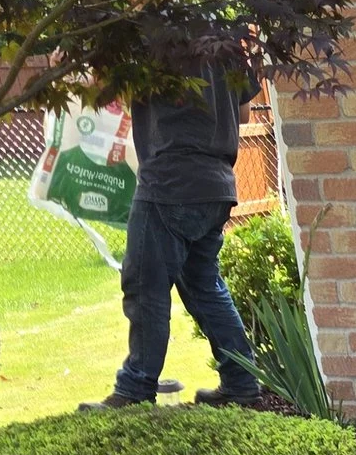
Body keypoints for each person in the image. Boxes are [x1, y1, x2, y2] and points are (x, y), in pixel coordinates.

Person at [92, 61, 264, 409]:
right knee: (203, 285)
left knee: (145, 286)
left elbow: (106, 94)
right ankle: (241, 382)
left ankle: (135, 389)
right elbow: (243, 113)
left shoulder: (148, 39)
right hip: (216, 185)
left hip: (169, 183)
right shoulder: (224, 41)